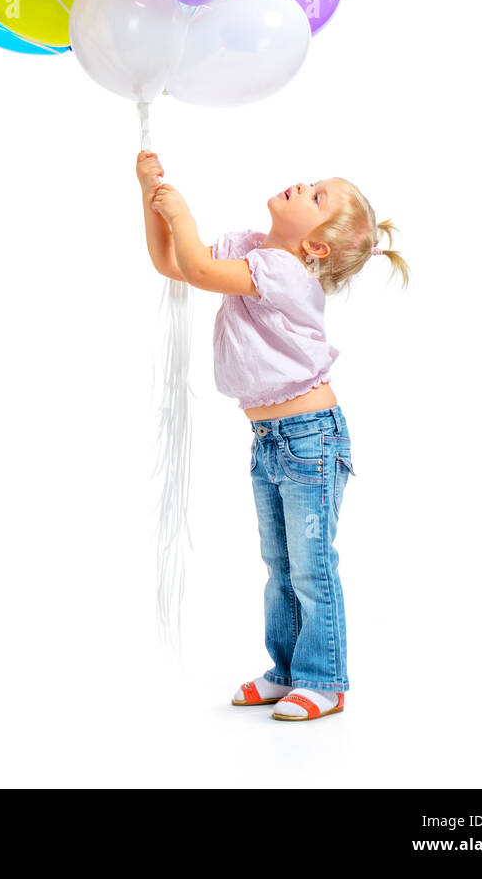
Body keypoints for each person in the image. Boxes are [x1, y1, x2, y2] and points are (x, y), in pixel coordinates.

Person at [137, 152, 408, 722]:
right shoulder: (252, 248)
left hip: (309, 438)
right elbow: (174, 264)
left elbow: (201, 269)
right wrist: (151, 194)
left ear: (316, 248)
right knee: (279, 563)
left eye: (317, 197)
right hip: (272, 440)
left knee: (310, 565)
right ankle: (288, 670)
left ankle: (324, 680)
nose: (303, 185)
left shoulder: (287, 271)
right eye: (314, 184)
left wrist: (181, 213)